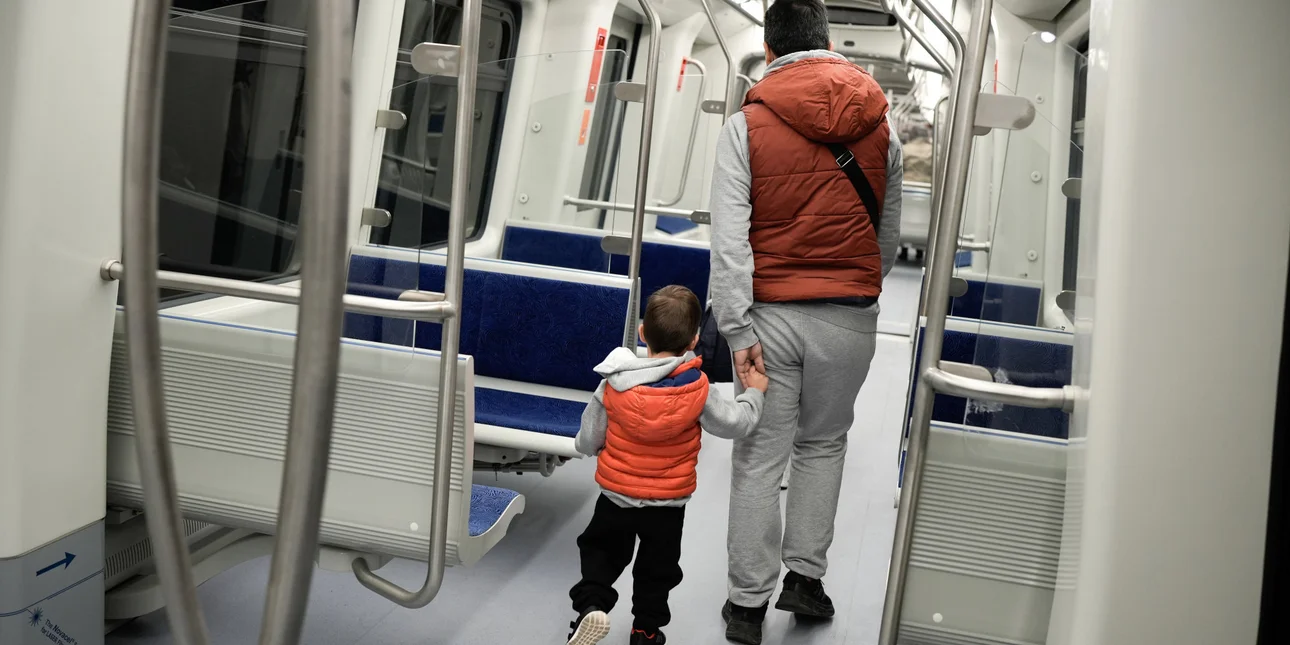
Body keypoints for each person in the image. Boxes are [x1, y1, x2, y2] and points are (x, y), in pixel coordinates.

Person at [708, 0, 904, 643]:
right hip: (848, 317)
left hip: (767, 318)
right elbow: (885, 238)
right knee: (823, 445)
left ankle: (746, 606)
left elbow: (730, 244)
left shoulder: (745, 125)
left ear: (769, 50)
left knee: (759, 457)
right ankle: (805, 580)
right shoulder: (881, 126)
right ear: (829, 43)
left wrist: (736, 330)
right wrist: (858, 292)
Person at [566, 285, 769, 645]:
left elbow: (589, 435)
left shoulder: (613, 383)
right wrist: (754, 393)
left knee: (602, 553)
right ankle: (645, 631)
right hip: (667, 504)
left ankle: (591, 606)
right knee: (656, 569)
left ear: (642, 333)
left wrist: (589, 448)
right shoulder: (698, 388)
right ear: (694, 341)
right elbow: (736, 423)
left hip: (616, 495)